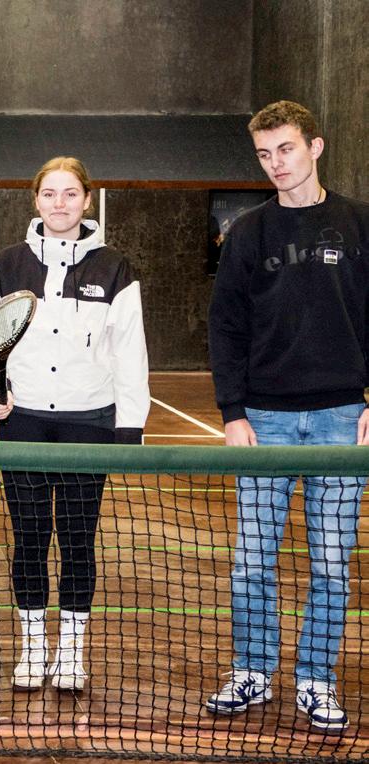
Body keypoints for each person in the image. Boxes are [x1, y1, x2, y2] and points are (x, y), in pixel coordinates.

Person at [205, 100, 369, 733]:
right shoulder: (248, 233)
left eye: (286, 149)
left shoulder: (358, 223)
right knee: (252, 563)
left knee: (331, 566)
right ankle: (252, 669)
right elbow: (226, 327)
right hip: (264, 422)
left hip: (340, 419)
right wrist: (233, 412)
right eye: (264, 154)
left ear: (315, 147)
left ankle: (316, 679)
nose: (275, 163)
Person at [0, 156, 149, 692]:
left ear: (87, 200)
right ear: (36, 200)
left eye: (70, 194)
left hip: (89, 423)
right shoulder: (7, 265)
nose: (59, 203)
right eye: (49, 193)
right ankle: (31, 647)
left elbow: (130, 350)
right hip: (22, 423)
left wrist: (130, 427)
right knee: (28, 538)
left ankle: (70, 652)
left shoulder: (115, 267)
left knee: (77, 540)